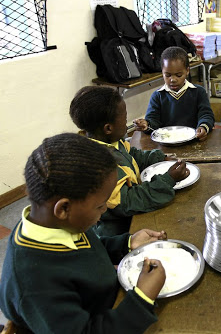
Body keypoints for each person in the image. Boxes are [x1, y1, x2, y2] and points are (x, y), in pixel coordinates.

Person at [0, 133, 168, 333]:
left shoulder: (53, 225)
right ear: (63, 209)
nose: (105, 209)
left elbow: (86, 250)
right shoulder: (35, 286)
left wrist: (127, 243)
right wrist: (143, 298)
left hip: (105, 299)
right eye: (99, 206)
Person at [70, 86, 189, 236]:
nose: (127, 122)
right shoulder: (98, 167)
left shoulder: (111, 140)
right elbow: (129, 201)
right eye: (125, 118)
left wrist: (159, 158)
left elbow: (131, 155)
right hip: (119, 230)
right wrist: (168, 180)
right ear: (108, 128)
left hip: (134, 212)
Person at [133, 46, 214, 141]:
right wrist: (146, 125)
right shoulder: (158, 96)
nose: (173, 79)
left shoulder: (198, 92)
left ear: (187, 71)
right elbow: (153, 121)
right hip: (166, 143)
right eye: (167, 75)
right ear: (162, 72)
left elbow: (206, 115)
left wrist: (203, 127)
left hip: (194, 140)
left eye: (179, 75)